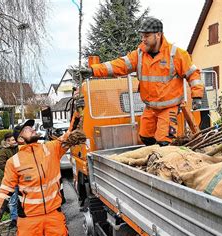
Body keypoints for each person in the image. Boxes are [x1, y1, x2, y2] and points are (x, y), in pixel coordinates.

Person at [79, 17, 205, 146]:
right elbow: (118, 65)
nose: (143, 39)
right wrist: (93, 70)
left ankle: (164, 159)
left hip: (169, 108)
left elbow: (193, 74)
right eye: (142, 36)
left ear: (158, 35)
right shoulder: (139, 55)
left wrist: (197, 96)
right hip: (150, 108)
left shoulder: (176, 55)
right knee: (145, 137)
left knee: (164, 140)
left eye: (147, 36)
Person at [0, 132, 19, 228]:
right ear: (8, 142)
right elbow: (1, 164)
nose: (15, 141)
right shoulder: (4, 152)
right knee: (13, 200)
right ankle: (14, 219)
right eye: (13, 140)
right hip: (12, 179)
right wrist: (12, 170)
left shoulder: (19, 149)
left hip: (21, 178)